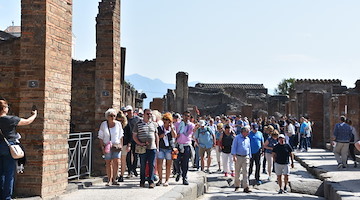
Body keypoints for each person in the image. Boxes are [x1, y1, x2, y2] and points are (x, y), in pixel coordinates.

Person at [0, 100, 37, 200]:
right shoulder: (10, 119)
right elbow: (27, 121)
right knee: (9, 173)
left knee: (1, 172)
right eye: (7, 106)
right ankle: (6, 197)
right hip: (9, 147)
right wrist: (34, 114)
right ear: (4, 109)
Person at [133, 109, 159, 188]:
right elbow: (134, 136)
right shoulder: (138, 124)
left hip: (152, 148)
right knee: (143, 165)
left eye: (150, 114)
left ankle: (151, 181)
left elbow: (156, 136)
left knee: (152, 165)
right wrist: (140, 143)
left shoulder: (154, 124)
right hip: (142, 148)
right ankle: (142, 181)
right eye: (147, 114)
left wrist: (157, 146)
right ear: (144, 114)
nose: (149, 115)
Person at [98, 108, 124, 186]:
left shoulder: (118, 124)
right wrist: (102, 147)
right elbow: (100, 136)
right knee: (108, 162)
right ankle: (109, 179)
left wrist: (121, 145)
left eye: (114, 115)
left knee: (116, 161)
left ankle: (114, 179)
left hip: (116, 145)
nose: (112, 117)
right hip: (107, 146)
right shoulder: (104, 124)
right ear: (107, 116)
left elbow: (121, 135)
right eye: (111, 115)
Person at [156, 112, 177, 186]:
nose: (166, 122)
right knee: (159, 164)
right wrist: (163, 134)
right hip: (161, 147)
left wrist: (171, 128)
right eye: (164, 120)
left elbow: (174, 136)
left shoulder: (172, 128)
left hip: (169, 148)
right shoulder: (160, 128)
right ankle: (160, 179)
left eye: (168, 120)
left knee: (168, 165)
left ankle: (167, 180)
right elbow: (158, 136)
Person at [175, 111, 195, 185]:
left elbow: (189, 133)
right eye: (185, 115)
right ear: (182, 116)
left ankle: (184, 177)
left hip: (186, 145)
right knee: (176, 160)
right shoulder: (177, 124)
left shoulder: (191, 125)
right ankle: (178, 172)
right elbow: (175, 132)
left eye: (188, 116)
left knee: (185, 162)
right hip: (178, 144)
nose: (187, 117)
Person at [231, 126, 252, 193]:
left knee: (245, 172)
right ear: (243, 132)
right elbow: (234, 147)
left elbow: (249, 148)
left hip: (246, 157)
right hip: (238, 156)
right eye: (247, 132)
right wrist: (234, 156)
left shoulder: (248, 139)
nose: (248, 133)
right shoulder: (237, 138)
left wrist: (249, 156)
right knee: (237, 172)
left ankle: (246, 187)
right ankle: (237, 185)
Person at [124, 105, 141, 177]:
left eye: (130, 110)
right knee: (128, 156)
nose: (129, 112)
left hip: (135, 139)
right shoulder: (125, 120)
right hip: (127, 139)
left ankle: (134, 169)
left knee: (135, 155)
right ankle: (129, 170)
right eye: (127, 111)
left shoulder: (137, 119)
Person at [116, 111, 131, 182]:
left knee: (123, 160)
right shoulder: (115, 125)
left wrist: (129, 144)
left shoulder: (126, 125)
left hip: (124, 144)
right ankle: (116, 174)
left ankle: (121, 175)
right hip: (116, 144)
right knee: (116, 160)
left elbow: (130, 135)